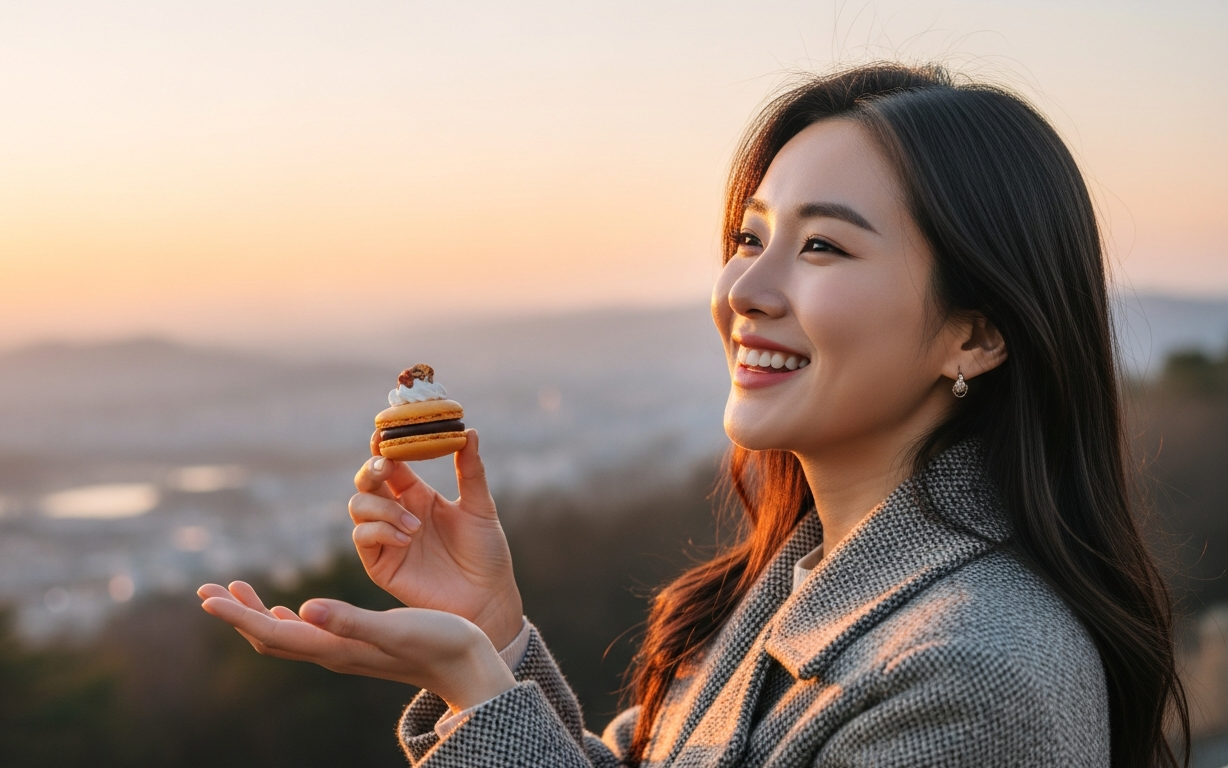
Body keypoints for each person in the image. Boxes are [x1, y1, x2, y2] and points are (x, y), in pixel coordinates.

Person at [197, 63, 1189, 767]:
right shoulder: (810, 583)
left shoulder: (974, 677)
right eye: (749, 236)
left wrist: (480, 694)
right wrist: (488, 636)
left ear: (973, 336)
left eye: (823, 249)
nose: (744, 288)